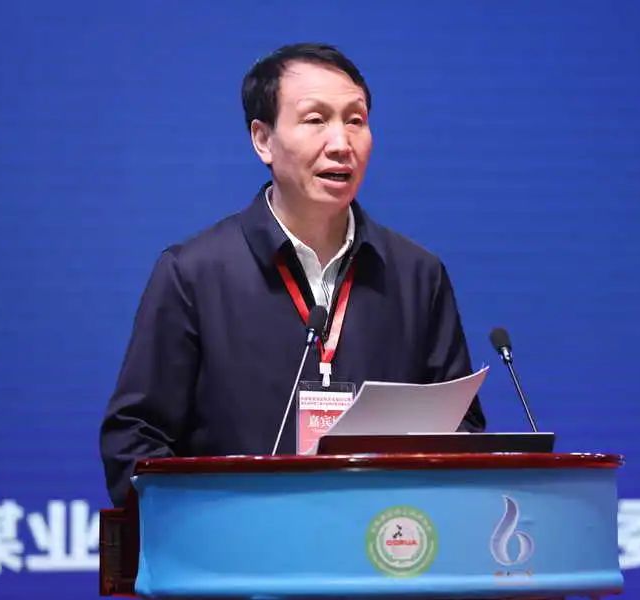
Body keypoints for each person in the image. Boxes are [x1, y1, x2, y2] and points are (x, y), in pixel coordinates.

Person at [100, 43, 485, 507]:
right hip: (240, 545)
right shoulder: (194, 274)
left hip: (379, 541)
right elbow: (135, 438)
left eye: (355, 120)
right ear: (262, 139)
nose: (341, 143)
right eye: (315, 119)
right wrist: (207, 528)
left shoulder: (417, 276)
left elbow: (462, 430)